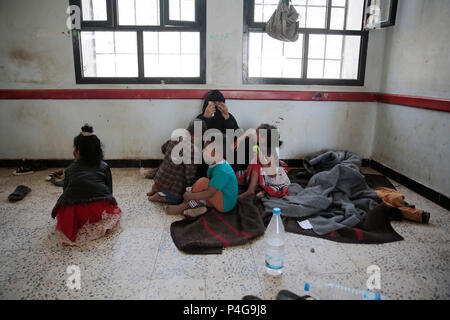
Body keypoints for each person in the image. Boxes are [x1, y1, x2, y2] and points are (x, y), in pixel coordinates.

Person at [51, 124, 121, 246]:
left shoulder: (70, 169)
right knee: (112, 214)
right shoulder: (104, 167)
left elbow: (65, 190)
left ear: (78, 151)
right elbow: (109, 192)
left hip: (75, 209)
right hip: (97, 206)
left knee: (70, 212)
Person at [166, 141, 238, 218]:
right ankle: (199, 207)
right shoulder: (216, 163)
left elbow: (210, 193)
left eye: (207, 150)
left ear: (217, 155)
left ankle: (184, 206)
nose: (203, 151)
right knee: (201, 186)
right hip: (219, 195)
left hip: (225, 204)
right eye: (204, 148)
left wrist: (190, 196)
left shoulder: (222, 171)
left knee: (203, 182)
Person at [147, 119, 207, 205]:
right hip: (172, 185)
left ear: (186, 130)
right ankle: (160, 197)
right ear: (198, 137)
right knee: (177, 199)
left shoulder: (176, 137)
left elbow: (163, 148)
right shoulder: (192, 150)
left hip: (160, 177)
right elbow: (189, 174)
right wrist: (193, 186)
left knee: (164, 176)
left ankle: (155, 188)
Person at [195, 90, 250, 176]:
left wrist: (227, 117)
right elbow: (196, 137)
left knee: (248, 142)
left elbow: (237, 135)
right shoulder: (201, 117)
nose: (216, 105)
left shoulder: (228, 115)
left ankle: (239, 173)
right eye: (213, 102)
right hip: (209, 152)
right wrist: (205, 118)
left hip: (227, 151)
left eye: (219, 102)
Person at [234, 124, 290, 199]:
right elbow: (249, 133)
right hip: (263, 175)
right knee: (251, 166)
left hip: (274, 178)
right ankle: (259, 188)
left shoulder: (270, 152)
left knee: (257, 163)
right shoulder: (257, 146)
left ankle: (250, 191)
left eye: (257, 133)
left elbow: (272, 173)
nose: (254, 134)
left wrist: (261, 159)